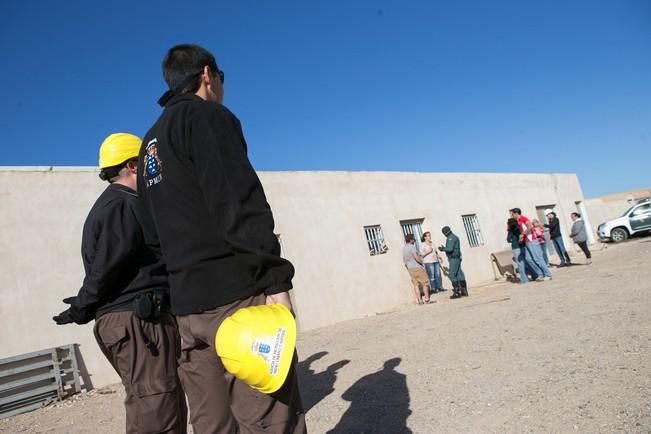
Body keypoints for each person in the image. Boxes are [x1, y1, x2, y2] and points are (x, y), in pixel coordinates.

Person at [137, 44, 305, 433]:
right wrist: (276, 281)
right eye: (222, 79)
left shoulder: (150, 143)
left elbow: (151, 233)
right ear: (207, 74)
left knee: (213, 423)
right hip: (236, 298)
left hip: (188, 310)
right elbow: (239, 202)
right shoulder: (207, 117)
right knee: (267, 417)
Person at [53, 133, 187, 434]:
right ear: (131, 164)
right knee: (158, 407)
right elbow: (109, 263)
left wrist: (85, 303)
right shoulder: (122, 205)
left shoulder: (116, 205)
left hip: (133, 321)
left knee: (149, 403)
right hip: (139, 322)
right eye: (148, 164)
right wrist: (83, 304)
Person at [509, 208, 552, 281]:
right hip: (526, 242)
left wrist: (523, 234)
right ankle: (540, 274)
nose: (511, 215)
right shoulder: (518, 221)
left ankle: (547, 274)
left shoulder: (523, 218)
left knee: (537, 258)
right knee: (528, 259)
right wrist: (522, 238)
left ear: (516, 213)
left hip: (532, 240)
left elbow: (530, 226)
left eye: (512, 214)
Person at [438, 226, 468, 298]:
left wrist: (443, 249)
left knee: (451, 275)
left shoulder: (450, 238)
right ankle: (464, 291)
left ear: (445, 233)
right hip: (457, 257)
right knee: (459, 274)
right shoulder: (455, 236)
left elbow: (450, 249)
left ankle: (457, 292)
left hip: (454, 258)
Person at [402, 234, 433, 304]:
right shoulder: (412, 247)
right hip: (417, 267)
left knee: (416, 285)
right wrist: (422, 263)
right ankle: (427, 299)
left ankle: (419, 300)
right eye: (413, 239)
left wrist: (408, 267)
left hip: (410, 268)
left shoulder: (404, 248)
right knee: (425, 283)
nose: (414, 240)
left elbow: (404, 260)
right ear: (410, 240)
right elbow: (415, 256)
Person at [507, 218, 529, 284]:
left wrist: (512, 240)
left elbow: (508, 239)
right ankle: (533, 275)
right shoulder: (519, 228)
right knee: (526, 261)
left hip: (515, 247)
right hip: (522, 245)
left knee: (520, 264)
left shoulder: (510, 230)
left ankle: (524, 280)